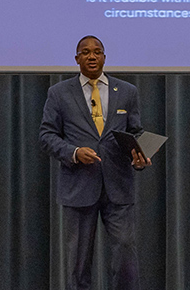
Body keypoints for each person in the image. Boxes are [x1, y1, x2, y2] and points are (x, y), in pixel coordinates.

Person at [39, 35, 152, 290]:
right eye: (86, 52)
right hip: (79, 186)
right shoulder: (59, 93)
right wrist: (74, 152)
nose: (92, 56)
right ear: (76, 58)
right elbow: (46, 136)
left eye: (97, 52)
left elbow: (135, 133)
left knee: (125, 252)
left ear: (104, 57)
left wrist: (139, 156)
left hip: (118, 186)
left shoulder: (127, 92)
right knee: (78, 263)